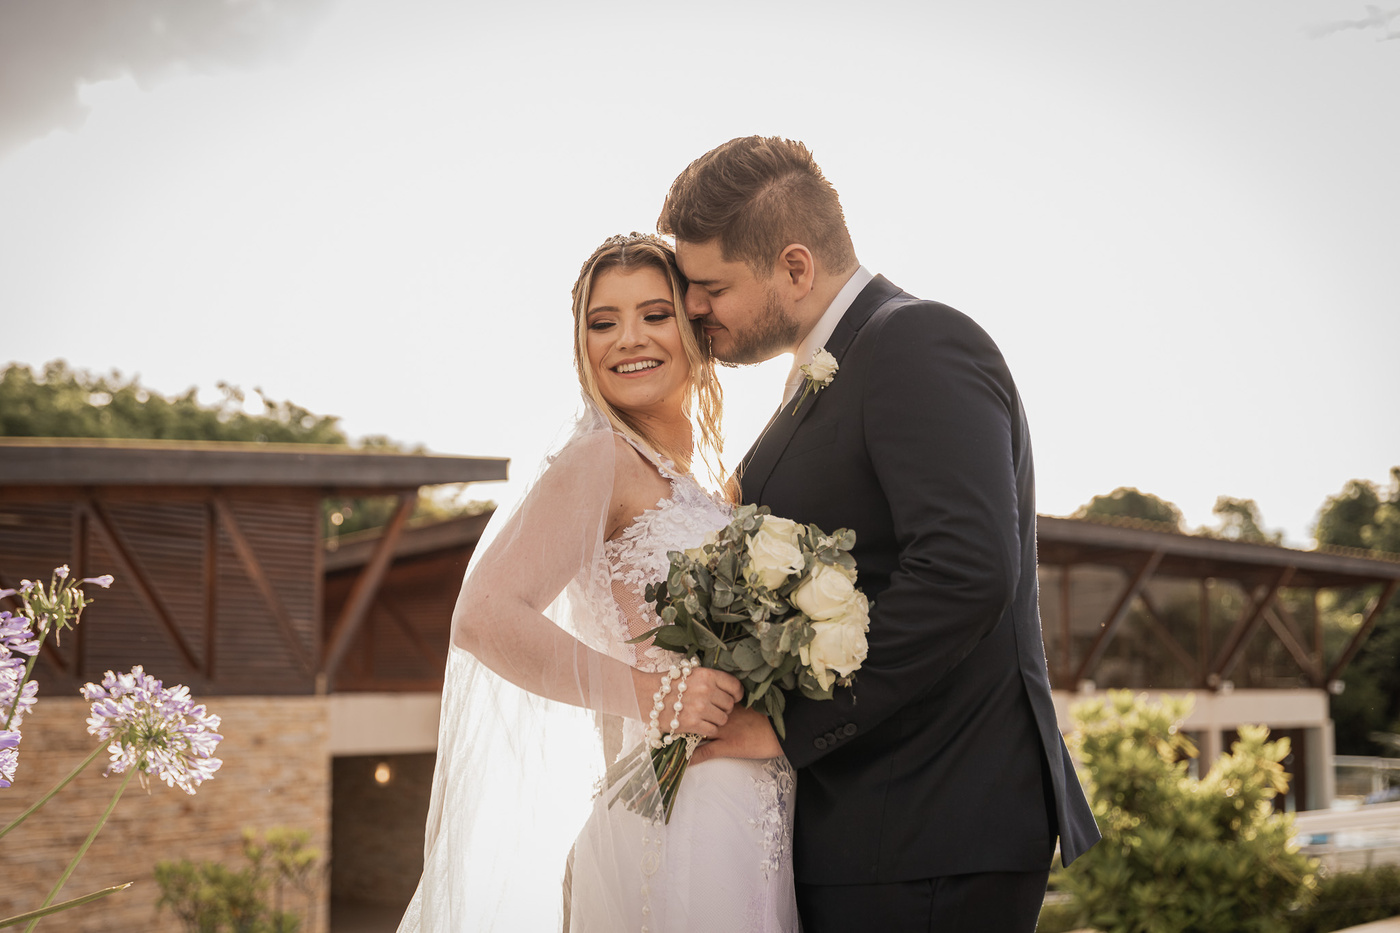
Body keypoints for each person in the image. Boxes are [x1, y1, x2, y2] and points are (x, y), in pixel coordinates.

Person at [657, 136, 1101, 932]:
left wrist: (785, 726)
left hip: (928, 823)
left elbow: (965, 571)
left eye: (711, 286)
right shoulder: (829, 367)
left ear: (796, 267)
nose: (693, 306)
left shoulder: (916, 341)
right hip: (875, 827)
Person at [396, 233, 801, 932]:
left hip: (752, 806)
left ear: (693, 327)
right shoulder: (601, 458)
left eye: (654, 314)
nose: (628, 338)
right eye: (603, 322)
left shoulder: (709, 485)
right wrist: (661, 696)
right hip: (682, 812)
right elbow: (484, 616)